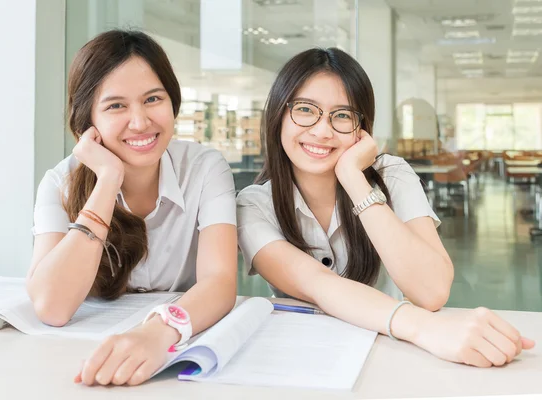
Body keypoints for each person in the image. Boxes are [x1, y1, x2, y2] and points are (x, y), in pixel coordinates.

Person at [237, 47, 535, 368]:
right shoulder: (254, 205)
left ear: (361, 127)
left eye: (342, 115)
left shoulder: (391, 174)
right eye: (306, 110)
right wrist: (426, 327)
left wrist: (353, 178)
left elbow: (431, 291)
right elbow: (318, 284)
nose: (322, 130)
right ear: (278, 115)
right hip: (298, 357)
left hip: (390, 353)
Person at [26, 30, 237, 386]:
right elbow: (52, 306)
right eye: (116, 106)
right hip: (77, 361)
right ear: (87, 121)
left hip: (173, 357)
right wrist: (108, 180)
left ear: (173, 103)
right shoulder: (59, 183)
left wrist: (159, 332)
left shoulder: (205, 168)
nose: (140, 122)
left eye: (152, 99)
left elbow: (220, 282)